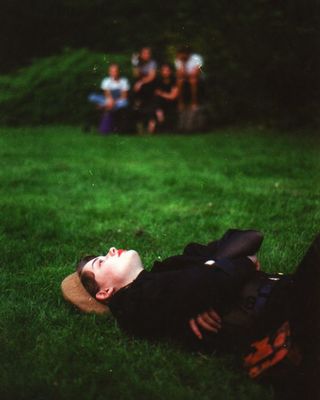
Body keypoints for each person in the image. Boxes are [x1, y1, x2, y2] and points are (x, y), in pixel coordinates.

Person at [70, 229, 320, 399]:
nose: (111, 249)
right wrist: (231, 266)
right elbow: (222, 276)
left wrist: (212, 274)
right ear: (105, 292)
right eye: (101, 262)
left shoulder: (168, 268)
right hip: (286, 310)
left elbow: (249, 237)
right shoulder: (138, 300)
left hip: (290, 296)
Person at [88, 63, 130, 133]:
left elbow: (124, 95)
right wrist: (110, 101)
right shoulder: (106, 81)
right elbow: (107, 93)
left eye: (115, 71)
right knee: (92, 97)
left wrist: (114, 102)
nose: (113, 73)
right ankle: (106, 105)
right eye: (112, 71)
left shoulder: (123, 81)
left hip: (118, 101)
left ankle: (103, 106)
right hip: (108, 100)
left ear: (118, 72)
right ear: (109, 72)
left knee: (125, 102)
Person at [131, 47, 157, 132]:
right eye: (144, 53)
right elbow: (135, 75)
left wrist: (140, 83)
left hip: (149, 88)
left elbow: (151, 77)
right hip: (140, 90)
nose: (146, 55)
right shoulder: (139, 63)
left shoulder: (152, 63)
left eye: (148, 53)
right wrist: (135, 64)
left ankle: (150, 126)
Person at [147, 63, 178, 133]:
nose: (165, 72)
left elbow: (173, 96)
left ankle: (152, 125)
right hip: (159, 104)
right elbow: (156, 94)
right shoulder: (158, 81)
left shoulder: (174, 81)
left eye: (167, 70)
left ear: (170, 71)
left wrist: (162, 94)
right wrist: (163, 95)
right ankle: (158, 114)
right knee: (155, 101)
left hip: (170, 103)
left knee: (156, 101)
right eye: (164, 70)